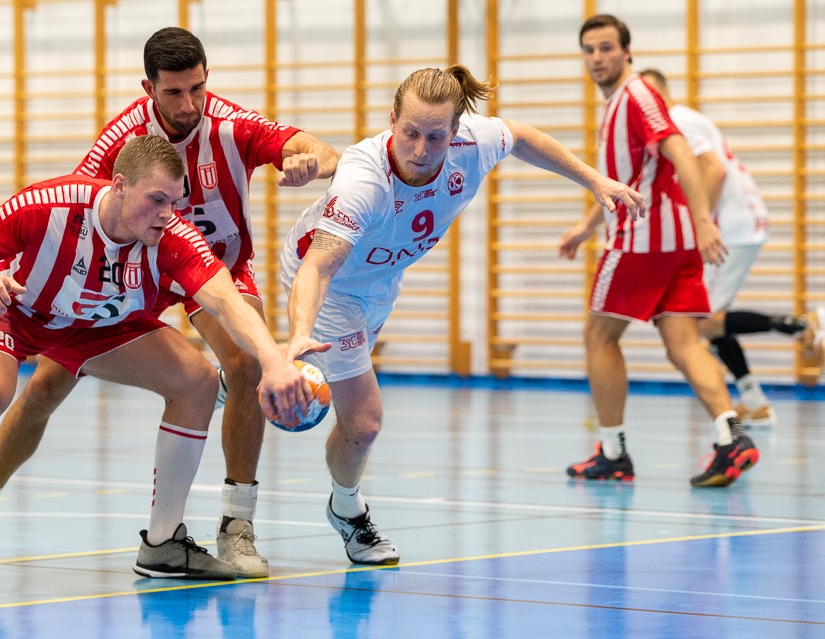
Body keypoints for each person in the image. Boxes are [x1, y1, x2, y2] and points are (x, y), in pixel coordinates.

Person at [0, 27, 338, 579]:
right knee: (46, 386)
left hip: (214, 268)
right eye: (174, 92)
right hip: (137, 275)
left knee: (247, 362)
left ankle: (237, 525)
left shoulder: (231, 125)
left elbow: (320, 150)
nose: (189, 104)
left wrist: (311, 163)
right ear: (149, 88)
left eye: (197, 88)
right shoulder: (120, 141)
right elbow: (84, 216)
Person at [0, 135, 314, 607]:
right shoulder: (51, 205)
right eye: (156, 200)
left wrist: (274, 362)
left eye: (175, 201)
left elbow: (228, 302)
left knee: (197, 382)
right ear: (120, 185)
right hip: (12, 310)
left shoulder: (174, 237)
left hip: (92, 325)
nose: (167, 214)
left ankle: (163, 543)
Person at [279, 64, 646, 565]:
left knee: (350, 411)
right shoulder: (364, 181)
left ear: (456, 132)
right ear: (391, 120)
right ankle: (348, 511)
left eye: (436, 136)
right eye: (410, 133)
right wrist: (301, 333)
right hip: (332, 284)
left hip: (381, 281)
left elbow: (521, 136)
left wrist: (593, 180)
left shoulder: (473, 143)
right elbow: (318, 268)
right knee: (364, 423)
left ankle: (243, 375)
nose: (420, 150)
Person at [560, 14, 760, 488]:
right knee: (684, 343)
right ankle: (731, 436)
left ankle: (613, 453)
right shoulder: (619, 103)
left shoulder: (636, 96)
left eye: (606, 48)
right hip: (674, 245)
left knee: (599, 336)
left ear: (627, 52)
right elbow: (629, 180)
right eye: (589, 50)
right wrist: (587, 226)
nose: (597, 58)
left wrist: (705, 220)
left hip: (641, 241)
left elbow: (682, 152)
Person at [639, 68, 824, 427]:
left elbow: (715, 170)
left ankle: (801, 326)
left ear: (663, 93)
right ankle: (754, 401)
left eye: (649, 95)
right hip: (740, 223)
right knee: (709, 318)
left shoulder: (677, 119)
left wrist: (699, 225)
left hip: (732, 227)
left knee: (698, 322)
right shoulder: (683, 119)